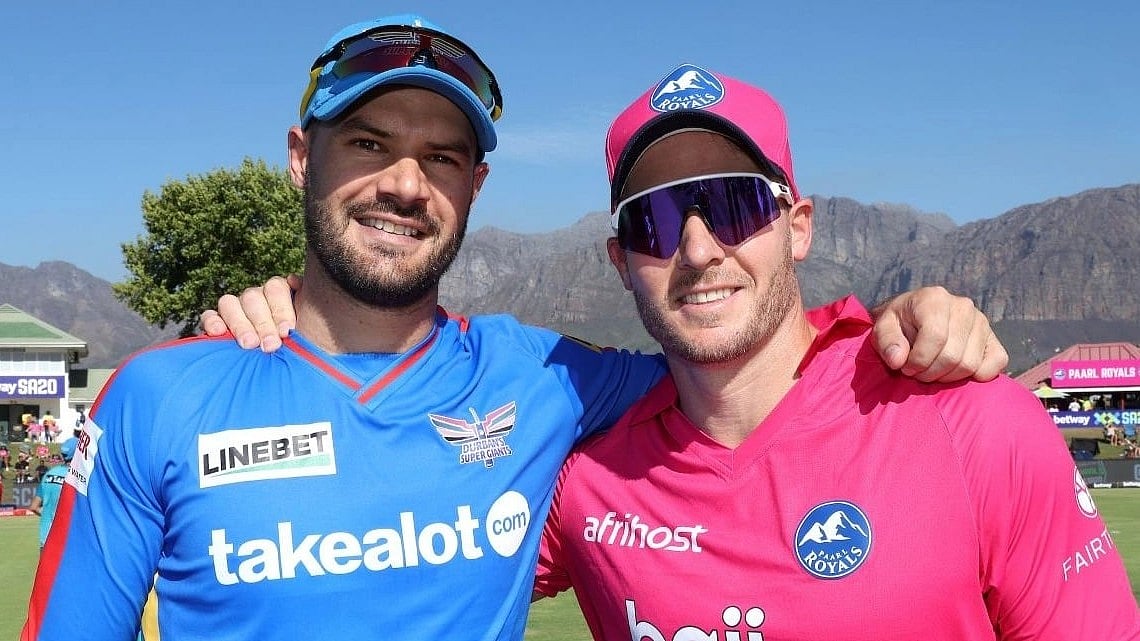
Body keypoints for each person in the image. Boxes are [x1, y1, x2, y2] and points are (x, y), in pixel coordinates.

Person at [23, 15, 1004, 641]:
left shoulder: (550, 379)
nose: (406, 183)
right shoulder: (159, 395)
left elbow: (735, 353)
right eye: (368, 143)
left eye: (442, 157)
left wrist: (897, 322)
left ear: (474, 185)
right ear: (299, 157)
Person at [529, 64, 1140, 639]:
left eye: (731, 206)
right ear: (621, 261)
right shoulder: (587, 475)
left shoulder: (978, 426)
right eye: (653, 221)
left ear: (797, 227)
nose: (697, 250)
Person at [27, 439, 77, 551]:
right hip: (66, 541)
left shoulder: (49, 474)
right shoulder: (75, 478)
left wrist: (50, 515)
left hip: (46, 538)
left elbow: (34, 507)